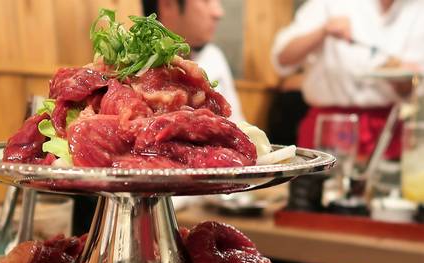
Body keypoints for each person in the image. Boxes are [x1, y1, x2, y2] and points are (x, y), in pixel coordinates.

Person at [272, 0, 424, 160]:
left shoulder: (417, 10)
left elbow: (410, 88)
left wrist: (404, 75)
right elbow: (282, 59)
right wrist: (323, 31)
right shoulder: (328, 4)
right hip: (330, 126)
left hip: (387, 129)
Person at [142, 0, 245, 122]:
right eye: (206, 1)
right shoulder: (136, 69)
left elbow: (238, 123)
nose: (218, 12)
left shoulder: (214, 56)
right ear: (168, 4)